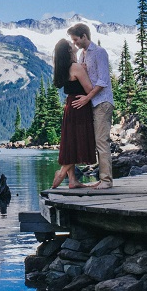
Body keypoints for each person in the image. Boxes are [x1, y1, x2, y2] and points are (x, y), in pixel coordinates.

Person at [67, 22, 115, 189]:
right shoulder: (82, 55)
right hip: (92, 103)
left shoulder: (99, 52)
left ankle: (107, 181)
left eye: (75, 40)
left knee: (102, 141)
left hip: (102, 102)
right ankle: (103, 179)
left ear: (84, 36)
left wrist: (87, 98)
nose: (74, 43)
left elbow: (103, 81)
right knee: (96, 141)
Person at [50, 38, 96, 189]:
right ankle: (62, 173)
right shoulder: (76, 67)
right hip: (80, 106)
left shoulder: (64, 68)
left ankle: (73, 181)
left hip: (70, 106)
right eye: (70, 44)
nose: (73, 43)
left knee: (70, 142)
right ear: (69, 50)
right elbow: (89, 89)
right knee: (78, 143)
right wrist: (86, 72)